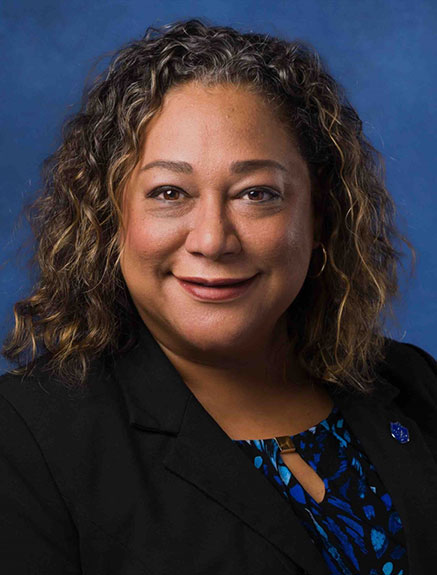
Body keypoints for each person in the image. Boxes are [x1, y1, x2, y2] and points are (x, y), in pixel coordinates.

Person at [0, 17, 436, 575]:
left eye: (257, 194)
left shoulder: (413, 386)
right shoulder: (27, 436)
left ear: (319, 214)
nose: (212, 239)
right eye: (169, 192)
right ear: (111, 218)